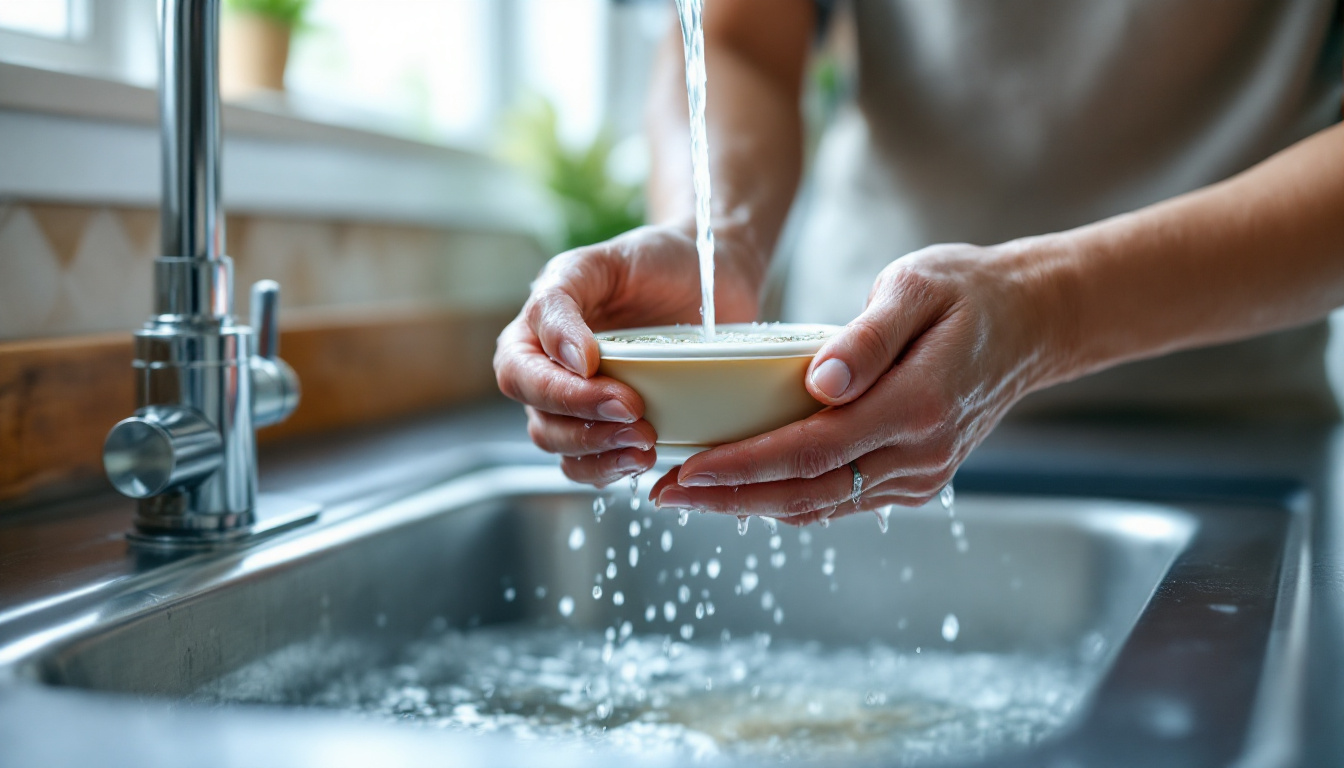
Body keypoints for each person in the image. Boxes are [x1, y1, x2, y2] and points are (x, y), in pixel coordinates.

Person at [494, 0, 1344, 524]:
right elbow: (741, 37)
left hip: (1222, 432)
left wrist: (1047, 308)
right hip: (852, 424)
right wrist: (714, 236)